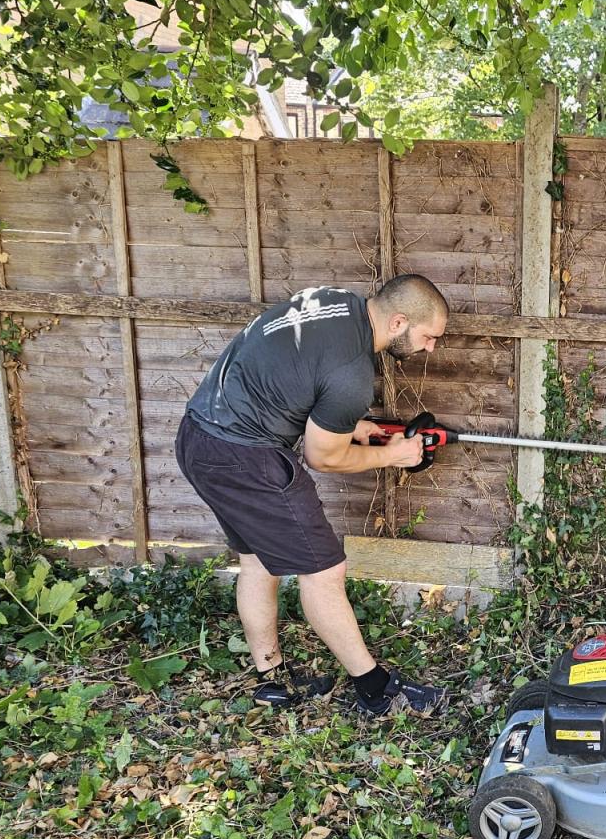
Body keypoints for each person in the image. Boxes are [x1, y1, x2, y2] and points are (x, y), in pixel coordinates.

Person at [175, 274, 449, 714]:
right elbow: (324, 459)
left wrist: (346, 423)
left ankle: (272, 681)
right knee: (324, 572)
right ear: (398, 321)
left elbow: (296, 373)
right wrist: (393, 456)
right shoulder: (351, 376)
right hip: (246, 457)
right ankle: (375, 689)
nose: (430, 348)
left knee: (258, 561)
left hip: (199, 437)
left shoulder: (334, 302)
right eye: (428, 337)